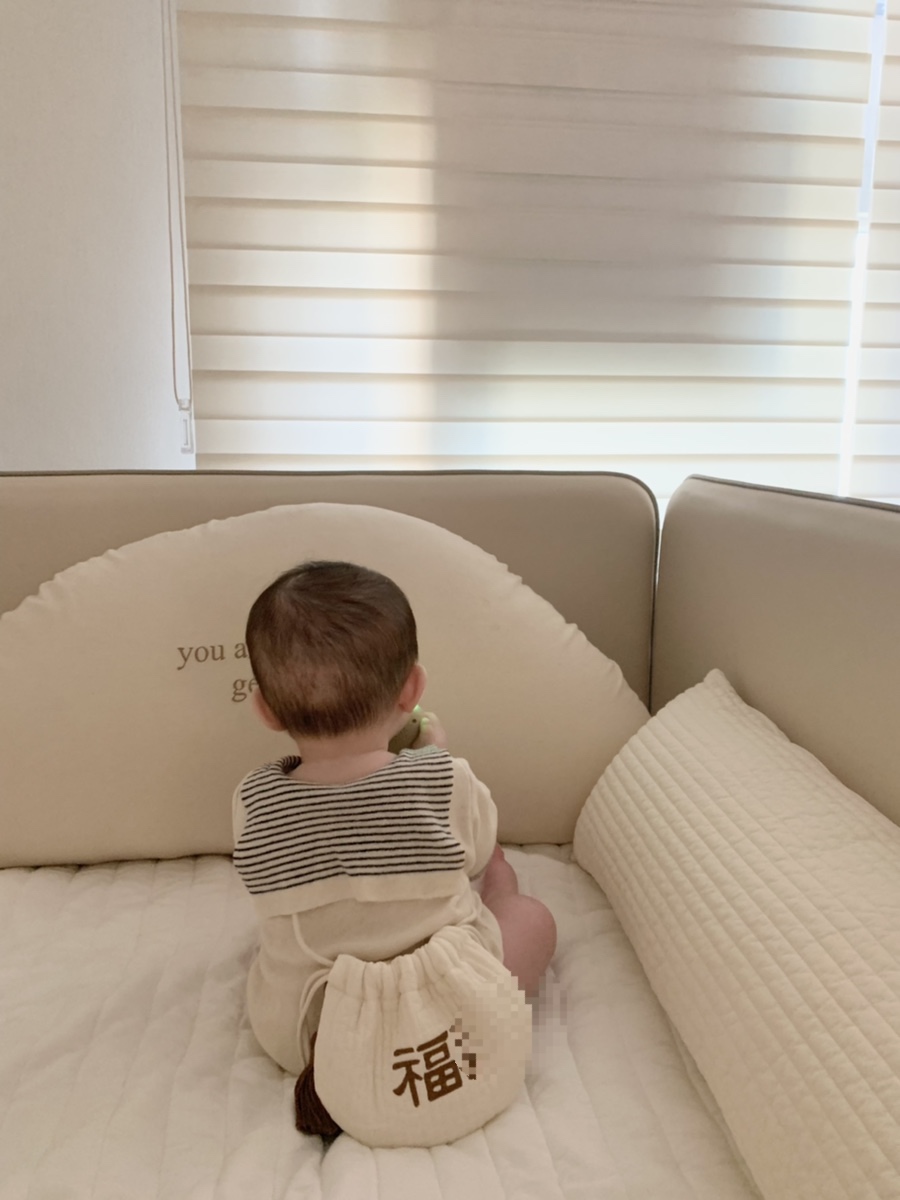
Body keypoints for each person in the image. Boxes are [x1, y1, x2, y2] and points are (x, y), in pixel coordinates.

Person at [232, 560, 557, 1080]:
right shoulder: (444, 778)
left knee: (278, 944)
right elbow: (472, 854)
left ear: (266, 710)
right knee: (529, 916)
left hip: (313, 1031)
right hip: (447, 1009)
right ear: (412, 690)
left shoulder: (254, 800)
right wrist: (436, 757)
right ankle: (505, 890)